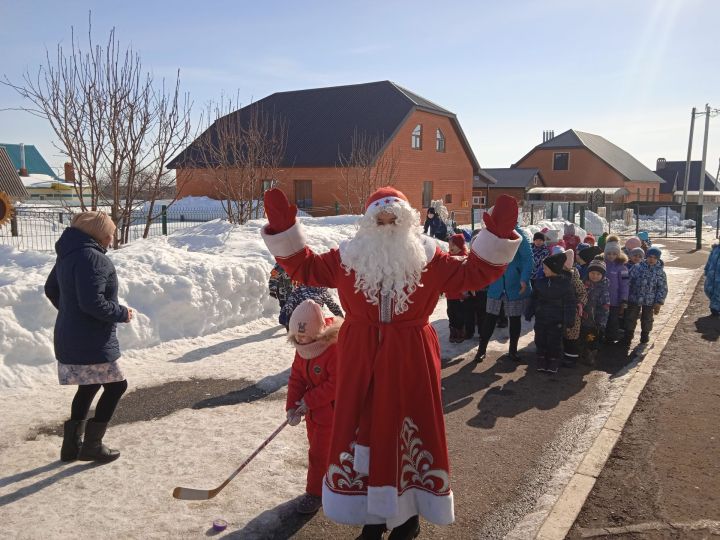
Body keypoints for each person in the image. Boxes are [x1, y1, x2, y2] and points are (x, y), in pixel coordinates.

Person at [261, 187, 520, 538]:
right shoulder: (346, 259)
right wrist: (283, 230)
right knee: (363, 430)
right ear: (367, 224)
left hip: (410, 359)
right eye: (379, 220)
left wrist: (497, 237)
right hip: (359, 359)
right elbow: (304, 267)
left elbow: (473, 274)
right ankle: (374, 516)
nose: (386, 226)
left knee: (408, 430)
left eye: (393, 219)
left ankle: (409, 518)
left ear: (407, 222)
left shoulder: (431, 258)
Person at [44, 211, 133, 463]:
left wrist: (70, 312)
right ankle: (92, 445)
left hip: (70, 334)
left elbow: (51, 289)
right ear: (101, 234)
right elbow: (93, 303)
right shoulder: (94, 259)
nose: (112, 239)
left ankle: (71, 447)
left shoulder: (68, 254)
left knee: (90, 385)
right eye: (111, 234)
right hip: (92, 339)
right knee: (117, 386)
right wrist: (122, 313)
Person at [285, 300, 342, 514]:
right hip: (314, 413)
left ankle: (315, 494)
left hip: (332, 413)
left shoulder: (332, 349)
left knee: (319, 454)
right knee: (318, 451)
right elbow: (296, 378)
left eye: (304, 334)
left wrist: (310, 400)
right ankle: (330, 483)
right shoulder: (302, 349)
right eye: (297, 336)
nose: (300, 339)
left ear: (317, 332)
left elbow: (336, 384)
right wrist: (292, 406)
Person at [475, 225, 533, 363]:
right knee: (489, 318)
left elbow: (528, 258)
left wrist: (524, 278)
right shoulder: (491, 233)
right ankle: (481, 351)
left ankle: (513, 351)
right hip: (496, 284)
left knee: (514, 319)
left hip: (514, 284)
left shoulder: (518, 234)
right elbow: (483, 256)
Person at [529, 252, 577, 373]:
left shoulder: (566, 285)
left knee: (554, 341)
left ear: (553, 269)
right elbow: (534, 299)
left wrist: (569, 320)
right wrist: (529, 311)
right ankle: (541, 358)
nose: (543, 270)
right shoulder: (541, 283)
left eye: (545, 268)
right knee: (540, 339)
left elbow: (570, 304)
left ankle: (554, 360)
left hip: (557, 320)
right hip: (541, 318)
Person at [623, 247, 668, 346]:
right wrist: (625, 296)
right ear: (646, 257)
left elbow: (662, 288)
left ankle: (645, 334)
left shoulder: (660, 272)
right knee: (631, 317)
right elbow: (628, 281)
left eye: (654, 258)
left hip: (650, 300)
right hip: (635, 297)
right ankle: (628, 335)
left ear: (658, 259)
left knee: (647, 318)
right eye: (650, 257)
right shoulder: (637, 267)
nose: (651, 259)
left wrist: (659, 302)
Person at [559, 249, 588, 368]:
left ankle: (572, 358)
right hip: (560, 309)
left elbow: (583, 293)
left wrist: (580, 304)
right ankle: (562, 355)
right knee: (563, 334)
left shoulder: (574, 279)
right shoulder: (557, 276)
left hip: (573, 312)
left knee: (572, 336)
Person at [580, 258, 610, 365]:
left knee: (593, 338)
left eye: (598, 274)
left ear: (602, 275)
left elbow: (605, 306)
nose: (595, 276)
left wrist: (601, 321)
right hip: (584, 317)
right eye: (592, 273)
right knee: (584, 336)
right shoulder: (583, 284)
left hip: (596, 320)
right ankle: (585, 352)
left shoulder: (603, 288)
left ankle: (591, 355)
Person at [446, 234, 475, 343]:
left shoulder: (464, 258)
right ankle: (453, 332)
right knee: (451, 312)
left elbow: (468, 276)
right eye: (449, 244)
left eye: (453, 244)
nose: (450, 247)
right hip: (450, 292)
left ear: (459, 245)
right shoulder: (447, 257)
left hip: (460, 293)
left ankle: (460, 332)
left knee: (460, 314)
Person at [279, 284, 343, 330]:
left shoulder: (322, 291)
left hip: (307, 321)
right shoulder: (322, 291)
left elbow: (289, 303)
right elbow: (333, 306)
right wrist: (341, 318)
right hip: (308, 321)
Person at [602, 235, 629, 343]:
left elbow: (625, 284)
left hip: (615, 300)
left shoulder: (622, 267)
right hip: (602, 299)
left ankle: (611, 338)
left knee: (613, 320)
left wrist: (623, 299)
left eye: (614, 254)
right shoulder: (602, 264)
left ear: (618, 254)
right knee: (602, 319)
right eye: (608, 253)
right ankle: (601, 337)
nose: (611, 256)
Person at [704, 241, 720, 317]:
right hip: (712, 275)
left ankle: (715, 308)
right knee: (709, 290)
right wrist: (706, 270)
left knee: (717, 292)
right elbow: (709, 261)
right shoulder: (715, 249)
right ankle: (715, 306)